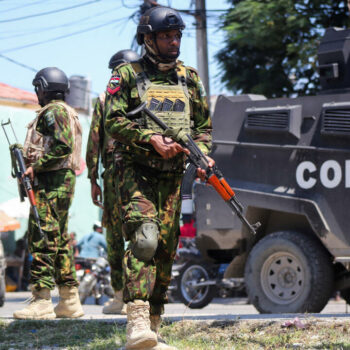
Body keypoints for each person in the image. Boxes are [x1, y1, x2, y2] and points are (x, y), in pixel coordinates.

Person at [104, 6, 213, 350]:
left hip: (172, 178)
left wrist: (204, 154)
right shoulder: (127, 74)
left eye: (177, 35)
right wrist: (148, 138)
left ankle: (152, 325)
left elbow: (203, 128)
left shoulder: (190, 79)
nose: (173, 41)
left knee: (166, 250)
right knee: (145, 240)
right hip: (136, 173)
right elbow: (113, 121)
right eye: (166, 36)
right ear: (148, 39)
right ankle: (136, 319)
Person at [14, 67, 84, 320]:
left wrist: (35, 166)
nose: (37, 93)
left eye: (38, 88)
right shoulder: (67, 112)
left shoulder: (53, 112)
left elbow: (62, 147)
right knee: (59, 239)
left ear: (44, 87)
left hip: (52, 182)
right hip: (60, 182)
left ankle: (42, 299)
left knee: (42, 236)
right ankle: (69, 299)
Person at [86, 49, 141, 315]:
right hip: (143, 173)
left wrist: (92, 178)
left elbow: (94, 140)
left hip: (116, 172)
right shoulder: (149, 95)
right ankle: (139, 297)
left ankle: (121, 297)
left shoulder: (105, 97)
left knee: (117, 236)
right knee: (141, 232)